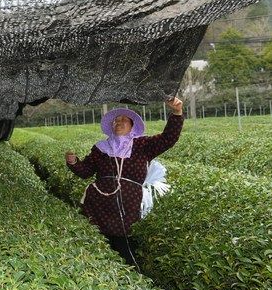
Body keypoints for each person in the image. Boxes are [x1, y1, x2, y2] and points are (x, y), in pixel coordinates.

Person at [65, 97, 183, 266]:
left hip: (129, 206)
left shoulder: (143, 145)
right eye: (116, 121)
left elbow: (168, 138)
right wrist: (73, 162)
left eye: (123, 120)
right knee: (99, 244)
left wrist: (177, 112)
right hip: (99, 205)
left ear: (132, 126)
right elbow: (85, 172)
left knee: (125, 248)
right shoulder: (100, 148)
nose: (118, 123)